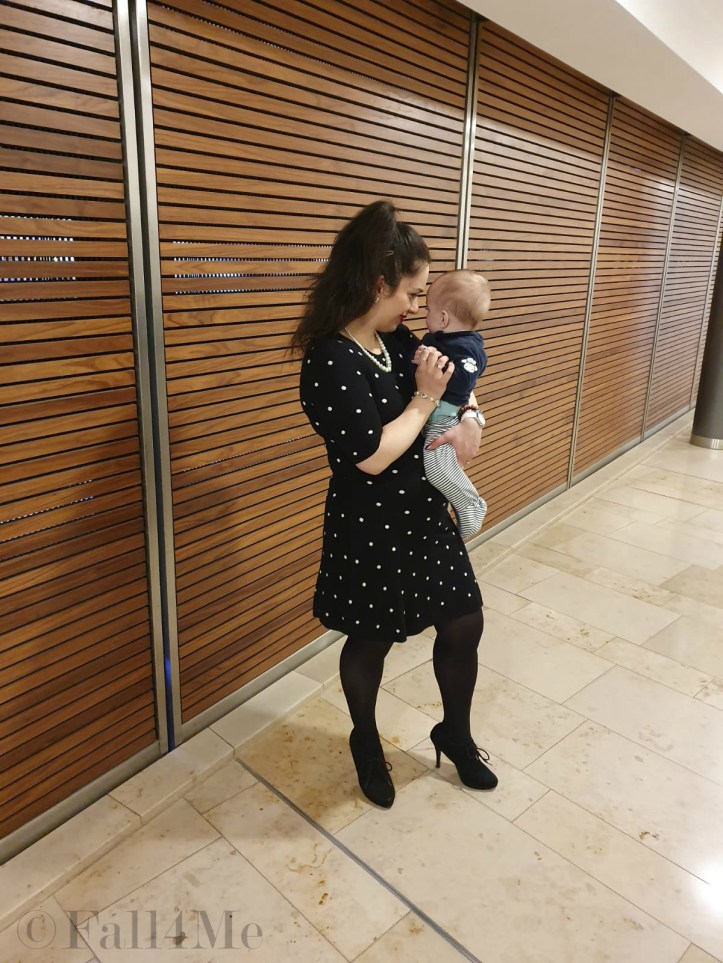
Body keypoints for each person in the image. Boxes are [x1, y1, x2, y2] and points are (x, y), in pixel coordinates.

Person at [292, 200, 497, 809]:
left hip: (423, 510)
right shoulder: (329, 359)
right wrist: (422, 401)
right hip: (370, 522)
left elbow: (457, 380)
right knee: (371, 641)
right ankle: (364, 738)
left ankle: (453, 733)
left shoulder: (395, 339)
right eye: (410, 291)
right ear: (378, 284)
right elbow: (372, 455)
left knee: (465, 622)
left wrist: (469, 414)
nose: (415, 305)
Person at [417, 270, 490, 538]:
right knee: (439, 465)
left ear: (444, 318)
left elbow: (464, 381)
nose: (422, 315)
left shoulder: (467, 346)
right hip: (435, 415)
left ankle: (471, 503)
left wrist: (437, 364)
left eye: (428, 310)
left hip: (446, 417)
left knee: (437, 467)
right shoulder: (441, 339)